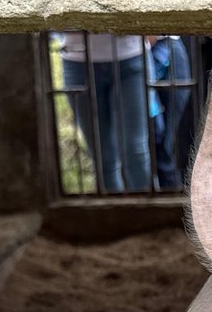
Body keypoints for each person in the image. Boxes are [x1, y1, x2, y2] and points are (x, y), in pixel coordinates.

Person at [57, 33, 152, 193]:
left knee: (135, 150)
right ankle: (115, 213)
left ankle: (149, 213)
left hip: (130, 57)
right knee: (102, 157)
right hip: (78, 61)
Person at [146, 36, 194, 191]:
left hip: (171, 48)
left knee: (166, 141)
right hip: (139, 53)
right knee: (156, 137)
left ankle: (171, 198)